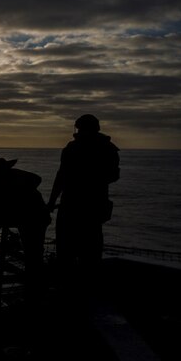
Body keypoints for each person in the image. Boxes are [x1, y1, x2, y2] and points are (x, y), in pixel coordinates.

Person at [47, 114, 120, 289]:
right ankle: (86, 288)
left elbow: (61, 177)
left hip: (72, 206)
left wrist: (51, 202)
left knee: (67, 250)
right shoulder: (108, 148)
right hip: (93, 207)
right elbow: (114, 176)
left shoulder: (72, 148)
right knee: (91, 250)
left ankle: (71, 289)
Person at [0, 158, 51, 302]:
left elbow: (37, 179)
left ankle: (35, 293)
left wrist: (15, 193)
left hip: (34, 215)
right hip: (12, 213)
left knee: (33, 254)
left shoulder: (12, 176)